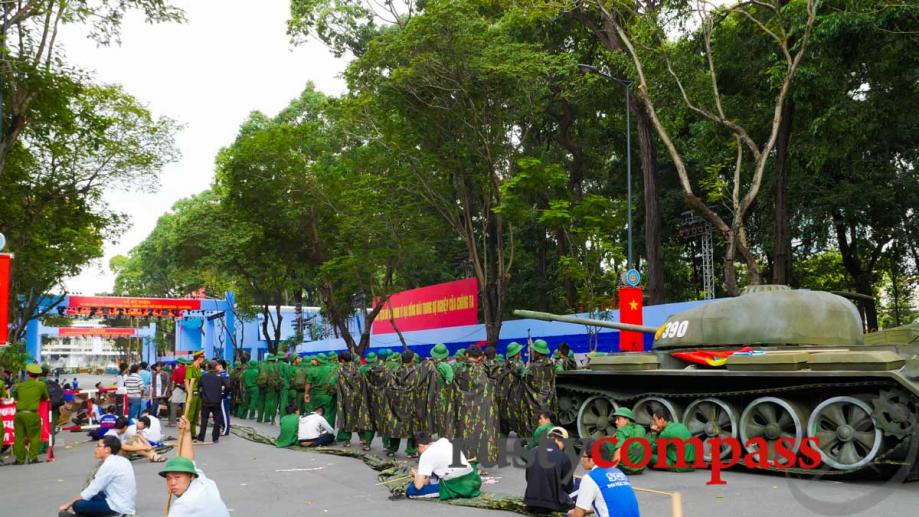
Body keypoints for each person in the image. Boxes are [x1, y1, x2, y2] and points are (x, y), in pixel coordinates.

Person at [160, 415, 230, 517]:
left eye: (177, 477)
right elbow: (188, 459)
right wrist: (187, 433)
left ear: (191, 476)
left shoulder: (182, 506)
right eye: (169, 478)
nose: (172, 483)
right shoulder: (203, 482)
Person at [57, 435, 136, 516]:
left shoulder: (109, 465)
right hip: (124, 501)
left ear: (107, 450)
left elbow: (92, 489)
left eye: (98, 446)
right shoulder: (122, 460)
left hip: (117, 507)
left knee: (78, 505)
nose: (95, 449)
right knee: (91, 495)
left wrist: (68, 504)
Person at [568, 438, 640, 517]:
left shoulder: (590, 478)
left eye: (583, 456)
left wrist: (571, 513)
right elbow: (613, 503)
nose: (581, 459)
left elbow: (578, 515)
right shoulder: (618, 472)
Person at [405, 432, 481, 500]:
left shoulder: (426, 455)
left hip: (456, 486)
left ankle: (445, 490)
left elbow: (418, 486)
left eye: (417, 449)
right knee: (434, 473)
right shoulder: (444, 441)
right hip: (473, 480)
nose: (418, 452)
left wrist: (416, 475)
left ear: (420, 446)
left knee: (410, 490)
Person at [524, 426, 574, 514]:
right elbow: (568, 487)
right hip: (552, 505)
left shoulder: (532, 452)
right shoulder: (564, 457)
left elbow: (528, 478)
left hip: (530, 503)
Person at [12, 363, 50, 464]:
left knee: (19, 437)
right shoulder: (41, 385)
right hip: (32, 414)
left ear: (28, 374)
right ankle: (32, 458)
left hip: (19, 414)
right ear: (38, 376)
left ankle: (19, 460)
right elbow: (45, 397)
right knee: (34, 436)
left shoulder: (20, 385)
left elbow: (15, 396)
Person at [648, 402, 696, 472]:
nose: (654, 423)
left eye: (655, 420)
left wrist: (654, 433)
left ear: (661, 419)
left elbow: (652, 449)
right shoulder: (681, 425)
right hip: (692, 465)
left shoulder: (666, 433)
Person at [609, 407, 647, 475]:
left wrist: (610, 470)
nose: (616, 422)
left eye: (618, 419)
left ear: (627, 419)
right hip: (640, 469)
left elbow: (619, 450)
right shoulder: (641, 429)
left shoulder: (621, 431)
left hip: (626, 469)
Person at [197, 360, 228, 443]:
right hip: (216, 401)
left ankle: (201, 437)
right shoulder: (220, 377)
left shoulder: (203, 377)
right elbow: (227, 387)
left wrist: (202, 396)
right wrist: (223, 395)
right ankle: (215, 438)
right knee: (217, 420)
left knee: (204, 420)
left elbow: (199, 388)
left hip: (206, 401)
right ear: (215, 367)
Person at [186, 351, 205, 437]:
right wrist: (189, 393)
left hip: (199, 393)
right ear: (198, 358)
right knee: (190, 414)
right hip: (192, 393)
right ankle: (187, 433)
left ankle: (193, 433)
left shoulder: (198, 368)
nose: (203, 360)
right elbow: (187, 381)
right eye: (202, 358)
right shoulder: (190, 368)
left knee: (196, 414)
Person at [168, 358, 188, 427]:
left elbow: (173, 381)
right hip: (187, 389)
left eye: (178, 363)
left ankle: (173, 422)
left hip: (178, 389)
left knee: (173, 405)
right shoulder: (188, 370)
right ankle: (184, 421)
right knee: (185, 406)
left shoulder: (177, 370)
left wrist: (171, 390)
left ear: (180, 363)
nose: (177, 364)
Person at [216, 360, 232, 437]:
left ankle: (225, 430)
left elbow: (227, 386)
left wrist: (222, 391)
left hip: (224, 397)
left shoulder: (224, 375)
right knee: (221, 414)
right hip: (222, 397)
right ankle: (223, 428)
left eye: (217, 365)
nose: (215, 367)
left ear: (220, 366)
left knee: (225, 414)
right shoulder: (221, 374)